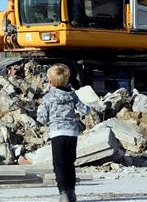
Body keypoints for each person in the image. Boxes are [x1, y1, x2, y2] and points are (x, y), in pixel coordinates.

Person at [36, 63, 91, 202]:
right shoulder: (72, 95)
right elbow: (84, 110)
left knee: (59, 164)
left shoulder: (48, 97)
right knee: (70, 163)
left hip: (57, 133)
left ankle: (63, 193)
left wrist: (41, 118)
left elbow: (41, 118)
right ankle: (72, 192)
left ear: (50, 81)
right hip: (72, 133)